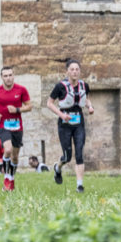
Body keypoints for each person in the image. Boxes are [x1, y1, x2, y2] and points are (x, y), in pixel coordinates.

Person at [45, 58, 94, 193]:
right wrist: (61, 115)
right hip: (65, 123)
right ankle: (58, 168)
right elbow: (49, 103)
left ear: (80, 71)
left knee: (79, 153)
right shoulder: (60, 86)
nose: (75, 72)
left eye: (77, 69)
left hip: (79, 122)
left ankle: (79, 185)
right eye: (72, 69)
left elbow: (87, 99)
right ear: (67, 71)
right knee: (67, 156)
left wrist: (90, 107)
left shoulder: (85, 85)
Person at [0, 66, 32, 191]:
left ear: (14, 75)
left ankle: (11, 178)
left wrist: (17, 110)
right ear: (2, 77)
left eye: (10, 75)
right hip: (3, 126)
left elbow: (29, 106)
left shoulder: (21, 90)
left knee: (15, 157)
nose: (8, 78)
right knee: (8, 149)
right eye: (5, 76)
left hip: (17, 127)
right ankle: (6, 177)